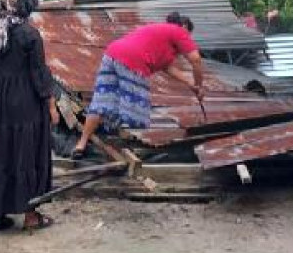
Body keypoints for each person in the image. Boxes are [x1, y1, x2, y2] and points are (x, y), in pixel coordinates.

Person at [0, 0, 59, 234]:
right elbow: (38, 74)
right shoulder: (29, 34)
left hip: (1, 104)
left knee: (0, 152)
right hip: (26, 102)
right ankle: (30, 216)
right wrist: (51, 104)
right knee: (28, 152)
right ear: (27, 5)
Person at [71, 12, 204, 159]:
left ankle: (81, 144)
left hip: (112, 55)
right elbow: (196, 60)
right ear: (184, 27)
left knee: (101, 103)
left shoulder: (160, 37)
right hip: (132, 61)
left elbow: (170, 69)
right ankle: (133, 151)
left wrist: (193, 85)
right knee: (137, 113)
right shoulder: (177, 30)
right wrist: (199, 84)